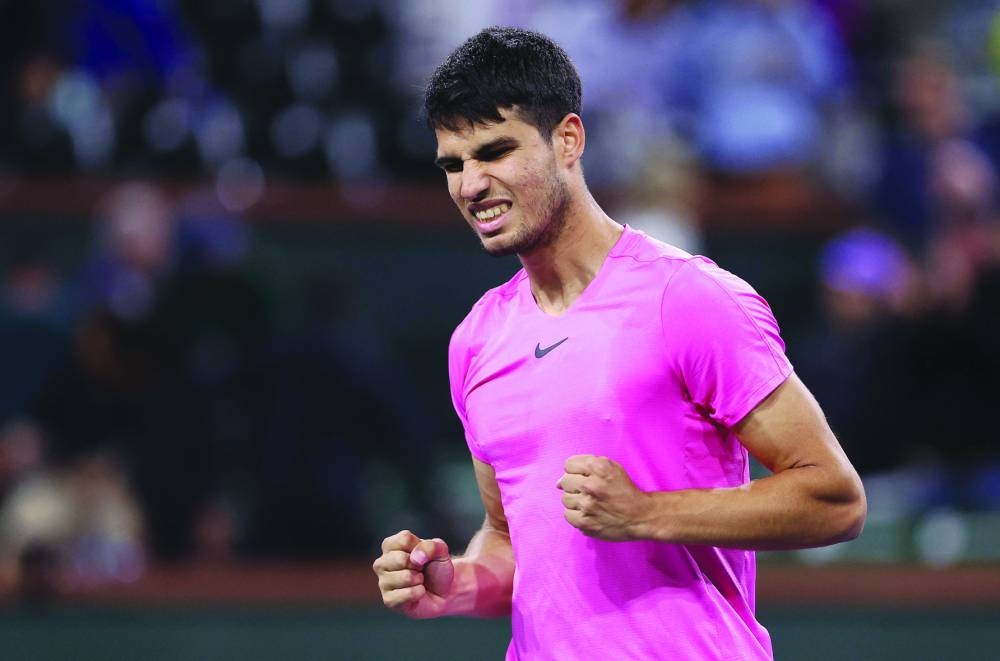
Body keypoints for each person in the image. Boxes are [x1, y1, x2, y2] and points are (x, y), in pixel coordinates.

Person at [372, 27, 866, 660]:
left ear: (569, 140)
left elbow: (834, 498)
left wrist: (645, 514)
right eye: (454, 164)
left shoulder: (688, 298)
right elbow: (509, 542)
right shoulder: (476, 339)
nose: (471, 185)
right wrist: (454, 584)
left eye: (495, 152)